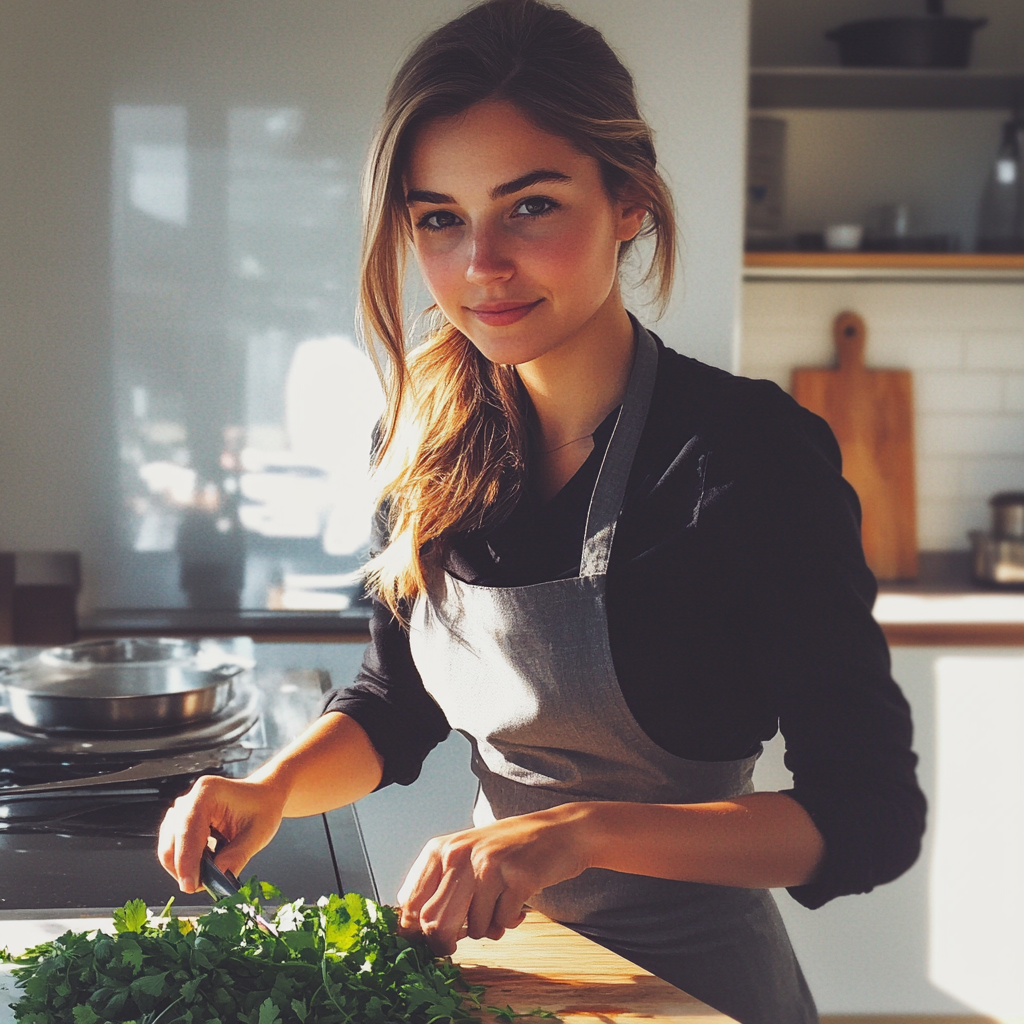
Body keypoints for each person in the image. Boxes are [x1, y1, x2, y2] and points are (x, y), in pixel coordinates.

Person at [158, 3, 926, 1021]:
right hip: (494, 979)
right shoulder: (422, 446)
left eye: (529, 207)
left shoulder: (744, 457)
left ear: (629, 203)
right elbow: (396, 703)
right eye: (439, 218)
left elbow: (868, 814)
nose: (481, 264)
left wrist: (580, 830)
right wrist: (270, 787)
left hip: (696, 993)